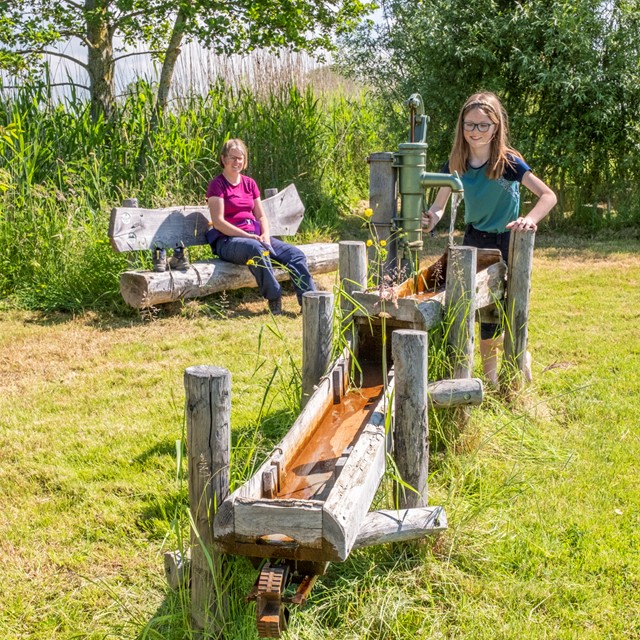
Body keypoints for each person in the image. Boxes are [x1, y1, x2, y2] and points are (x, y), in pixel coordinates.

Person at [422, 92, 557, 386]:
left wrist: (529, 219)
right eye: (470, 125)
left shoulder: (508, 161)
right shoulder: (457, 161)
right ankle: (492, 384)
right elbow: (439, 205)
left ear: (496, 127)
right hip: (474, 242)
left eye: (484, 125)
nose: (476, 131)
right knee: (481, 316)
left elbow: (548, 196)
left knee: (511, 309)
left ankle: (519, 358)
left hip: (509, 242)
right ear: (461, 126)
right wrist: (430, 218)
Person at [206, 139, 317, 315]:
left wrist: (265, 233)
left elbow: (261, 216)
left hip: (256, 238)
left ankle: (310, 301)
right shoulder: (217, 185)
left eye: (240, 158)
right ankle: (274, 298)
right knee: (257, 249)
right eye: (232, 158)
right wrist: (248, 236)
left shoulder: (249, 183)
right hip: (229, 241)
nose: (237, 162)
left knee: (295, 255)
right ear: (223, 159)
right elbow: (218, 222)